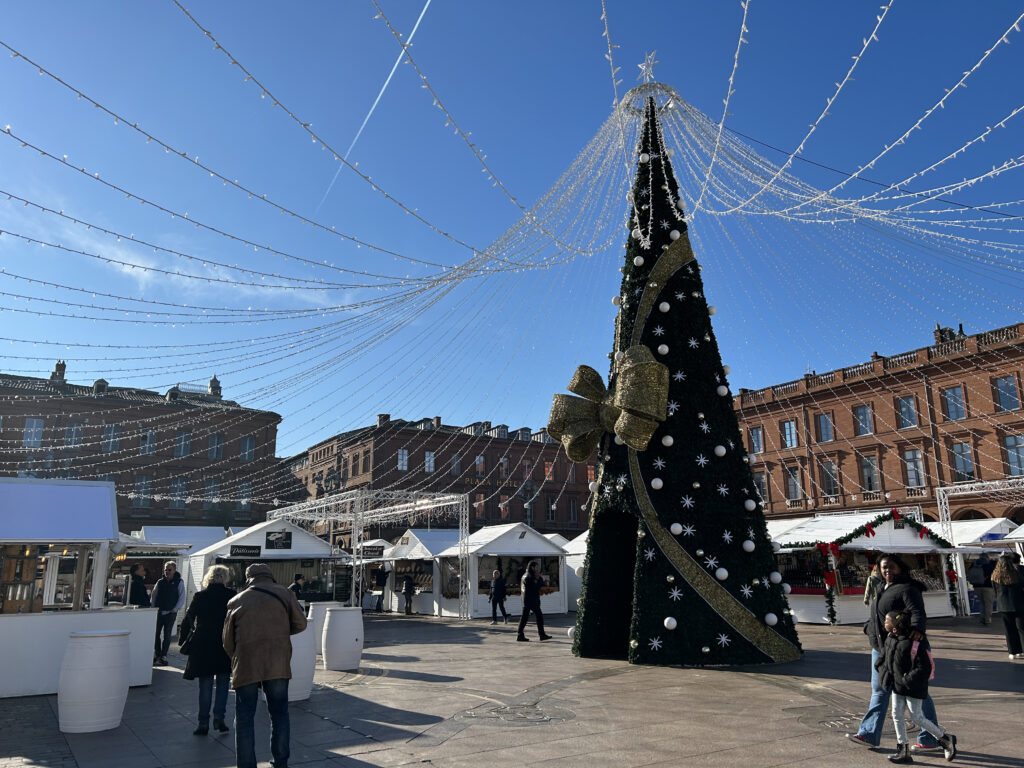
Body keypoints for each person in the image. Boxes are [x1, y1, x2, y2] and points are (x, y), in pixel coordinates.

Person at [846, 553, 943, 754]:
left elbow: (917, 612)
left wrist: (917, 629)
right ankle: (868, 734)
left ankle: (931, 738)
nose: (887, 570)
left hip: (904, 650)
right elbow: (878, 615)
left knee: (917, 692)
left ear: (900, 568)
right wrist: (869, 628)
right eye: (883, 567)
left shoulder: (908, 588)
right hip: (882, 649)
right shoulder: (882, 587)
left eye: (891, 567)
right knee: (880, 690)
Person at [223, 563, 307, 768]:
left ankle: (246, 764)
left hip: (246, 664)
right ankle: (280, 762)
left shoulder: (236, 600)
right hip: (277, 662)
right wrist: (279, 634)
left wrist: (239, 657)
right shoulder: (285, 594)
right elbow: (301, 623)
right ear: (270, 575)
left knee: (244, 717)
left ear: (248, 578)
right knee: (279, 714)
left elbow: (227, 641)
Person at [876, 610, 957, 763]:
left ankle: (945, 739)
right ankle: (903, 749)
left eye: (886, 621)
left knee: (917, 717)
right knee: (896, 715)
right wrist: (880, 667)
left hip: (913, 686)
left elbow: (924, 667)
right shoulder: (890, 639)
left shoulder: (915, 643)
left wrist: (907, 679)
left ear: (895, 627)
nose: (884, 623)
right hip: (897, 685)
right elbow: (885, 658)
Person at [179, 564, 236, 736]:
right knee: (223, 682)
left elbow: (189, 618)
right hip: (224, 642)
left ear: (209, 577)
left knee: (205, 684)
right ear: (225, 578)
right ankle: (219, 719)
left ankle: (202, 722)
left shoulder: (200, 596)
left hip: (203, 642)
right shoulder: (231, 596)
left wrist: (184, 639)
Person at [150, 560, 184, 666]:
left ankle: (164, 655)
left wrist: (175, 609)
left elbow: (182, 596)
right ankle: (157, 654)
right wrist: (153, 608)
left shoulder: (179, 582)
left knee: (167, 634)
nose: (167, 572)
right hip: (159, 611)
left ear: (174, 570)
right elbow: (154, 595)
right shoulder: (160, 582)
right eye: (165, 570)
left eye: (169, 570)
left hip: (170, 612)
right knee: (156, 634)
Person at [991, 554, 1024, 659]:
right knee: (1022, 628)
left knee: (1009, 629)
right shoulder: (1016, 574)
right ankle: (1022, 649)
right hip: (1019, 604)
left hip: (1003, 605)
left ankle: (1012, 652)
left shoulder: (995, 576)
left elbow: (995, 591)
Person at [517, 560, 551, 642]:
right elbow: (535, 587)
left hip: (527, 599)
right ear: (532, 567)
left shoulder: (525, 575)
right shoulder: (529, 576)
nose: (537, 568)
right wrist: (540, 578)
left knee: (524, 618)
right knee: (538, 616)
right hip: (531, 600)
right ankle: (541, 635)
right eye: (536, 567)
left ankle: (520, 635)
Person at [967, 554, 996, 625]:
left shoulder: (974, 564)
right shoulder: (989, 564)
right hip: (988, 587)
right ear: (987, 557)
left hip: (976, 586)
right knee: (988, 604)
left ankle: (982, 618)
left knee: (982, 603)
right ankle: (987, 620)